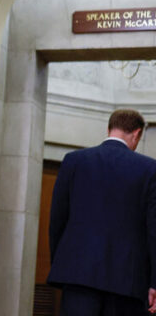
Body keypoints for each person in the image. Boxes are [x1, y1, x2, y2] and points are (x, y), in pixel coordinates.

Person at [48, 109, 156, 315]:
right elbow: (154, 230)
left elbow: (57, 220)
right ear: (137, 134)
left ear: (108, 129)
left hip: (76, 274)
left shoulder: (74, 161)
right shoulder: (150, 169)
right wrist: (154, 282)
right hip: (127, 283)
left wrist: (61, 263)